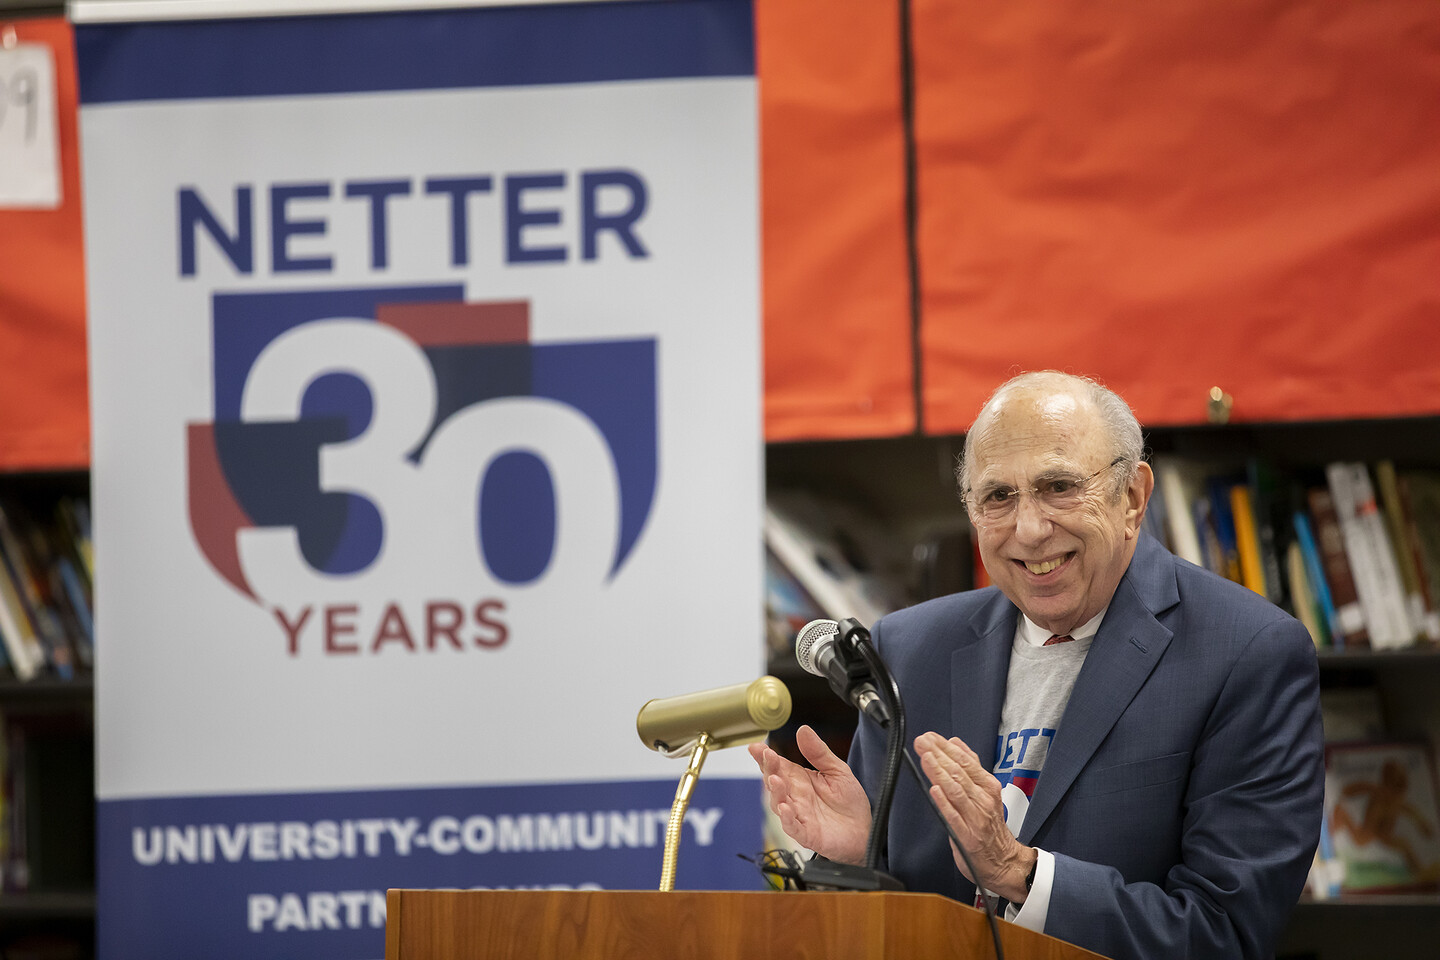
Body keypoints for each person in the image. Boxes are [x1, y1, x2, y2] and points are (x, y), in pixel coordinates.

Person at [750, 371, 1324, 960]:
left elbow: (1224, 935)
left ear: (1132, 498)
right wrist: (854, 857)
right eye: (998, 496)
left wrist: (1017, 871)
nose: (1028, 529)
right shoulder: (907, 648)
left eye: (1058, 486)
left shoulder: (1248, 652)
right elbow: (891, 923)